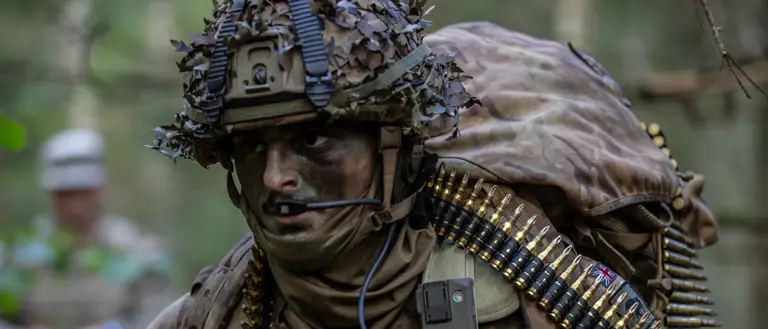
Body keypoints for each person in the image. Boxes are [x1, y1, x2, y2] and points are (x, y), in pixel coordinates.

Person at [146, 1, 721, 328]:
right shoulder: (219, 307)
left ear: (390, 149)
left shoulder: (513, 278)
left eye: (316, 140)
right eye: (251, 147)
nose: (275, 177)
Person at [1, 129, 174, 329]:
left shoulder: (139, 252)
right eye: (65, 194)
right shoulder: (19, 254)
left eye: (83, 192)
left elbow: (162, 316)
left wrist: (114, 327)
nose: (75, 206)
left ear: (101, 189)